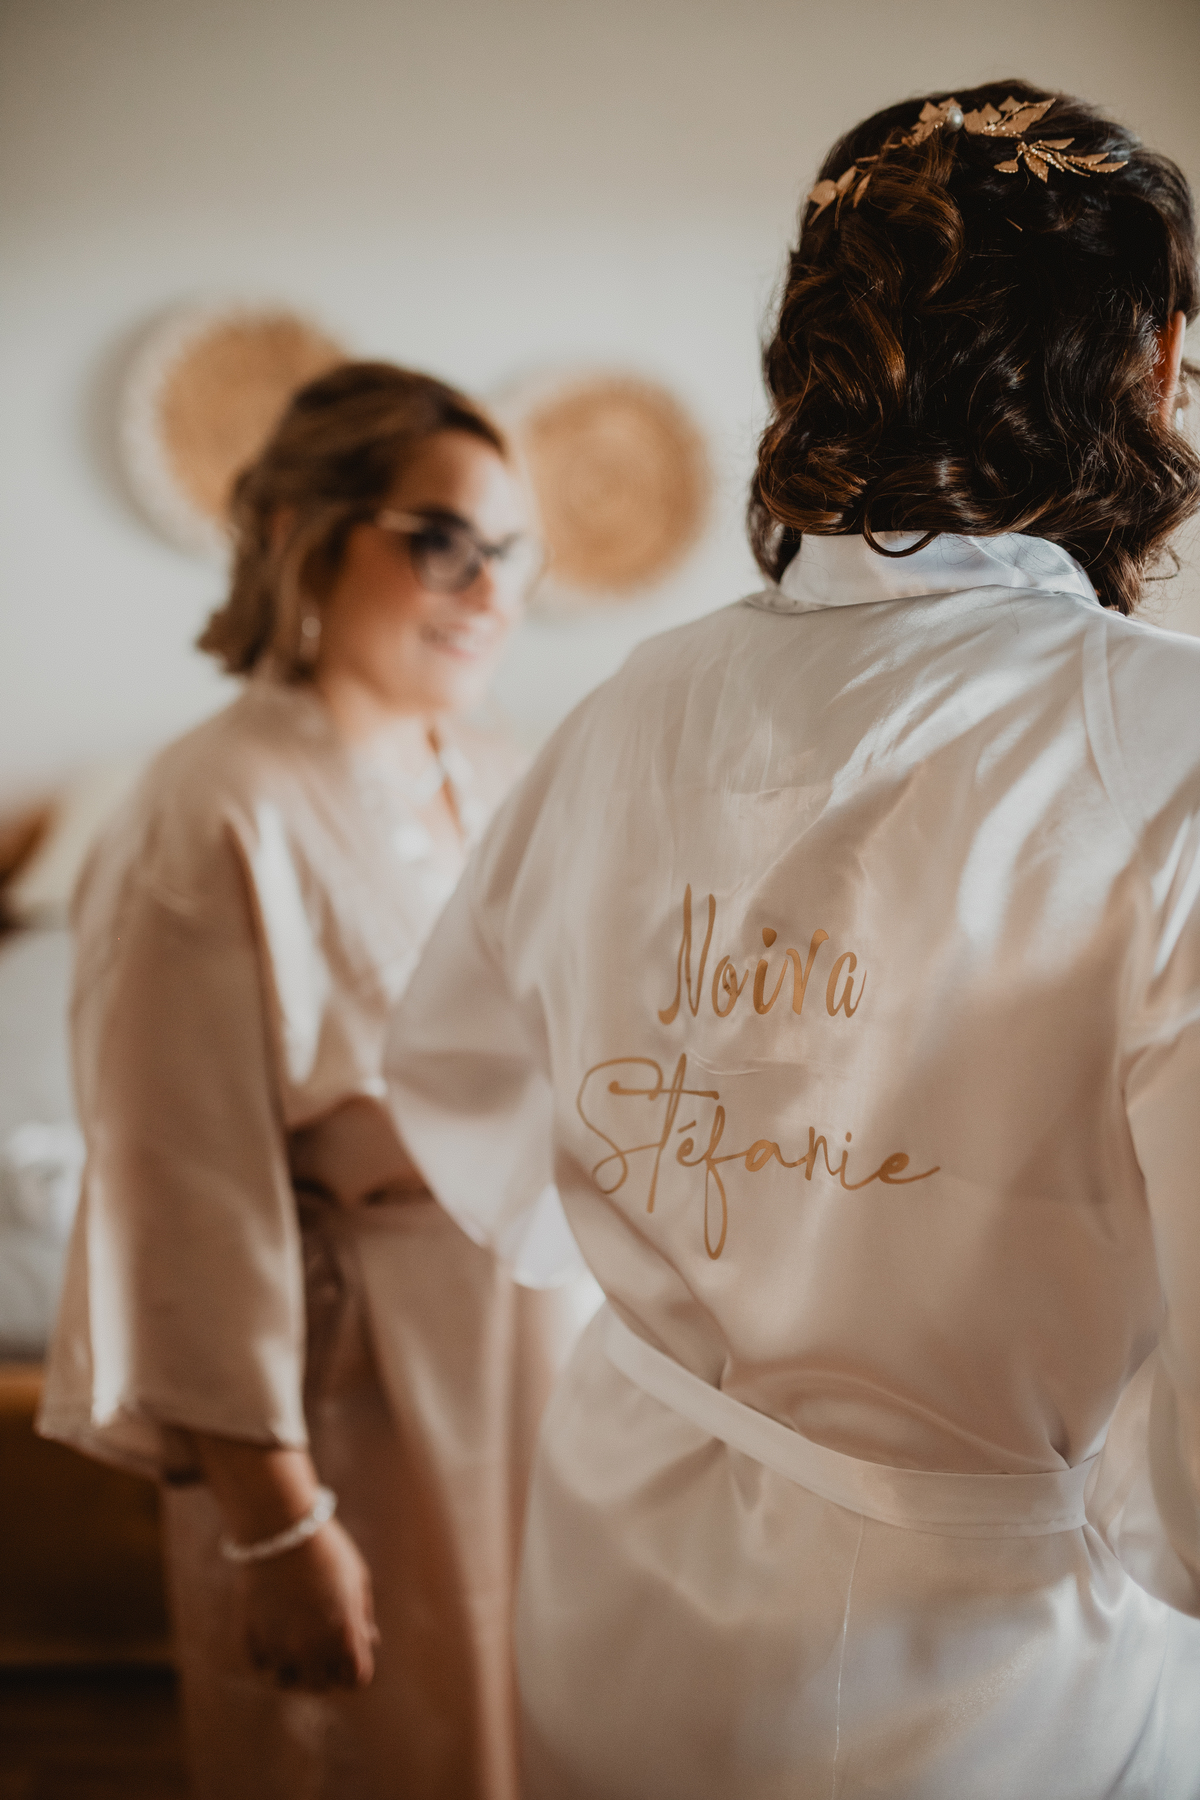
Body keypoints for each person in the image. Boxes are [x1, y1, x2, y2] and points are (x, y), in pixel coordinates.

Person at [383, 83, 1200, 1798]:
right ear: (1146, 362)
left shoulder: (639, 700)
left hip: (621, 1560)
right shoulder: (1165, 745)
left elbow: (466, 1098)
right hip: (982, 1662)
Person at [39, 362, 582, 1800]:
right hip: (355, 1395)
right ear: (305, 534)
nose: (491, 590)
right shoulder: (207, 808)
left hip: (545, 1361)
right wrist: (278, 1524)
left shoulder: (506, 772)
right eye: (443, 542)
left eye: (511, 550)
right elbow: (180, 1189)